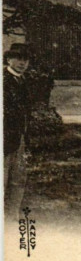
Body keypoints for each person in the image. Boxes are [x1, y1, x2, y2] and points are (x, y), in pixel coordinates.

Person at [4, 44, 32, 219]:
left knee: (18, 179)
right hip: (5, 138)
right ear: (8, 59)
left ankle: (12, 217)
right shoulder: (4, 80)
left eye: (25, 59)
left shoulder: (23, 81)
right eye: (18, 58)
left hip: (19, 138)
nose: (22, 63)